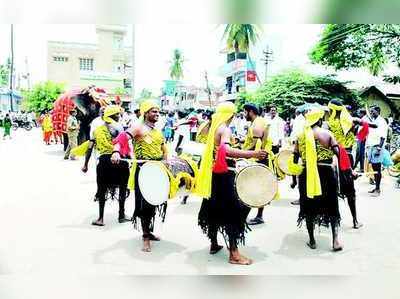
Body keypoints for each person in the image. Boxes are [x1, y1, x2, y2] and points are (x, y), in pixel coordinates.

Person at [196, 102, 267, 265]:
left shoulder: (212, 127)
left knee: (213, 208)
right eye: (234, 115)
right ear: (231, 115)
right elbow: (226, 150)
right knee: (235, 212)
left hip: (213, 176)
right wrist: (252, 153)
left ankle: (214, 244)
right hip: (224, 177)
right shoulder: (225, 129)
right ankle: (234, 254)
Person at [111, 100, 168, 253]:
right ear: (146, 113)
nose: (156, 114)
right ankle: (145, 237)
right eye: (153, 111)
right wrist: (116, 151)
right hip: (144, 170)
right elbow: (122, 138)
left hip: (157, 169)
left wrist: (167, 161)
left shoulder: (157, 130)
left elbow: (163, 149)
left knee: (154, 202)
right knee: (144, 205)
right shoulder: (138, 127)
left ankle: (149, 231)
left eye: (157, 111)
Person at [294, 109, 343, 251]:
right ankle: (335, 241)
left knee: (308, 206)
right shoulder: (327, 134)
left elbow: (294, 159)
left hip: (307, 174)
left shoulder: (300, 136)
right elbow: (339, 154)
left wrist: (293, 180)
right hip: (327, 172)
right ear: (319, 120)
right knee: (332, 206)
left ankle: (312, 240)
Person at [327, 100, 376, 228]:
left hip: (331, 157)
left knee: (330, 190)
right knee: (350, 192)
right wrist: (363, 121)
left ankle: (330, 221)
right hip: (346, 157)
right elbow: (373, 126)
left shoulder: (328, 123)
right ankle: (355, 221)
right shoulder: (351, 121)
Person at [79, 105, 130, 226]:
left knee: (102, 190)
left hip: (103, 162)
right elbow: (125, 146)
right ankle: (121, 215)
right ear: (112, 115)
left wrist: (85, 164)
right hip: (120, 160)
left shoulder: (96, 130)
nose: (119, 116)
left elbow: (90, 147)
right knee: (122, 188)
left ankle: (100, 218)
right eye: (117, 114)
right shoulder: (119, 128)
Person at [242, 103, 271, 225]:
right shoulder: (258, 121)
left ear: (251, 112)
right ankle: (258, 215)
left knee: (251, 187)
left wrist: (243, 153)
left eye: (245, 112)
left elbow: (256, 140)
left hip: (257, 158)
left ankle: (254, 216)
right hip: (258, 157)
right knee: (257, 187)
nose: (244, 114)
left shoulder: (257, 123)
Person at [367, 106, 388, 197]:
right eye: (370, 111)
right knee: (374, 169)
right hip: (372, 147)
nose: (371, 113)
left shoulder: (381, 121)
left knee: (377, 169)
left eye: (373, 111)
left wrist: (379, 148)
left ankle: (378, 189)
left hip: (377, 147)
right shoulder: (374, 120)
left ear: (378, 112)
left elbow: (383, 136)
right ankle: (376, 187)